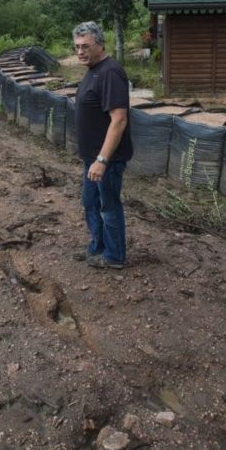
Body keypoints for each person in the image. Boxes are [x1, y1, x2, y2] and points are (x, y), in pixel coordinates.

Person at [72, 21, 133, 270]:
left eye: (86, 46)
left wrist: (102, 160)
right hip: (92, 157)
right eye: (76, 47)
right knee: (90, 203)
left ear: (100, 44)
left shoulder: (110, 72)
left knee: (108, 206)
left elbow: (119, 120)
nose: (80, 52)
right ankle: (98, 246)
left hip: (107, 159)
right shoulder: (93, 70)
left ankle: (114, 256)